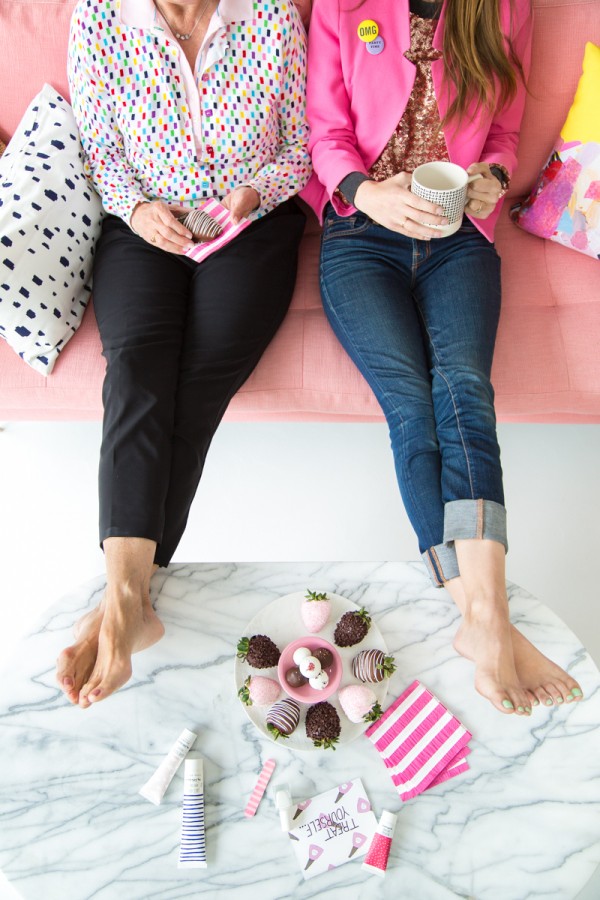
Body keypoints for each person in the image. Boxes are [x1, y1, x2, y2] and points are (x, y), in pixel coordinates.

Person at [302, 0, 583, 715]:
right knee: (410, 406)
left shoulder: (505, 7)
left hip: (459, 236)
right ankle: (490, 625)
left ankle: (482, 624)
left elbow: (506, 130)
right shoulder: (342, 4)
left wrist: (490, 173)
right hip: (362, 236)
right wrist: (369, 195)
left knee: (464, 389)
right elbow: (326, 133)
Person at [56, 0, 311, 707]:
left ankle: (122, 607)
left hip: (249, 223)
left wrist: (252, 192)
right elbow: (101, 151)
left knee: (196, 385)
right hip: (143, 226)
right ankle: (128, 606)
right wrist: (137, 211)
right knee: (136, 371)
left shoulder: (268, 15)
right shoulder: (100, 18)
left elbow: (301, 144)